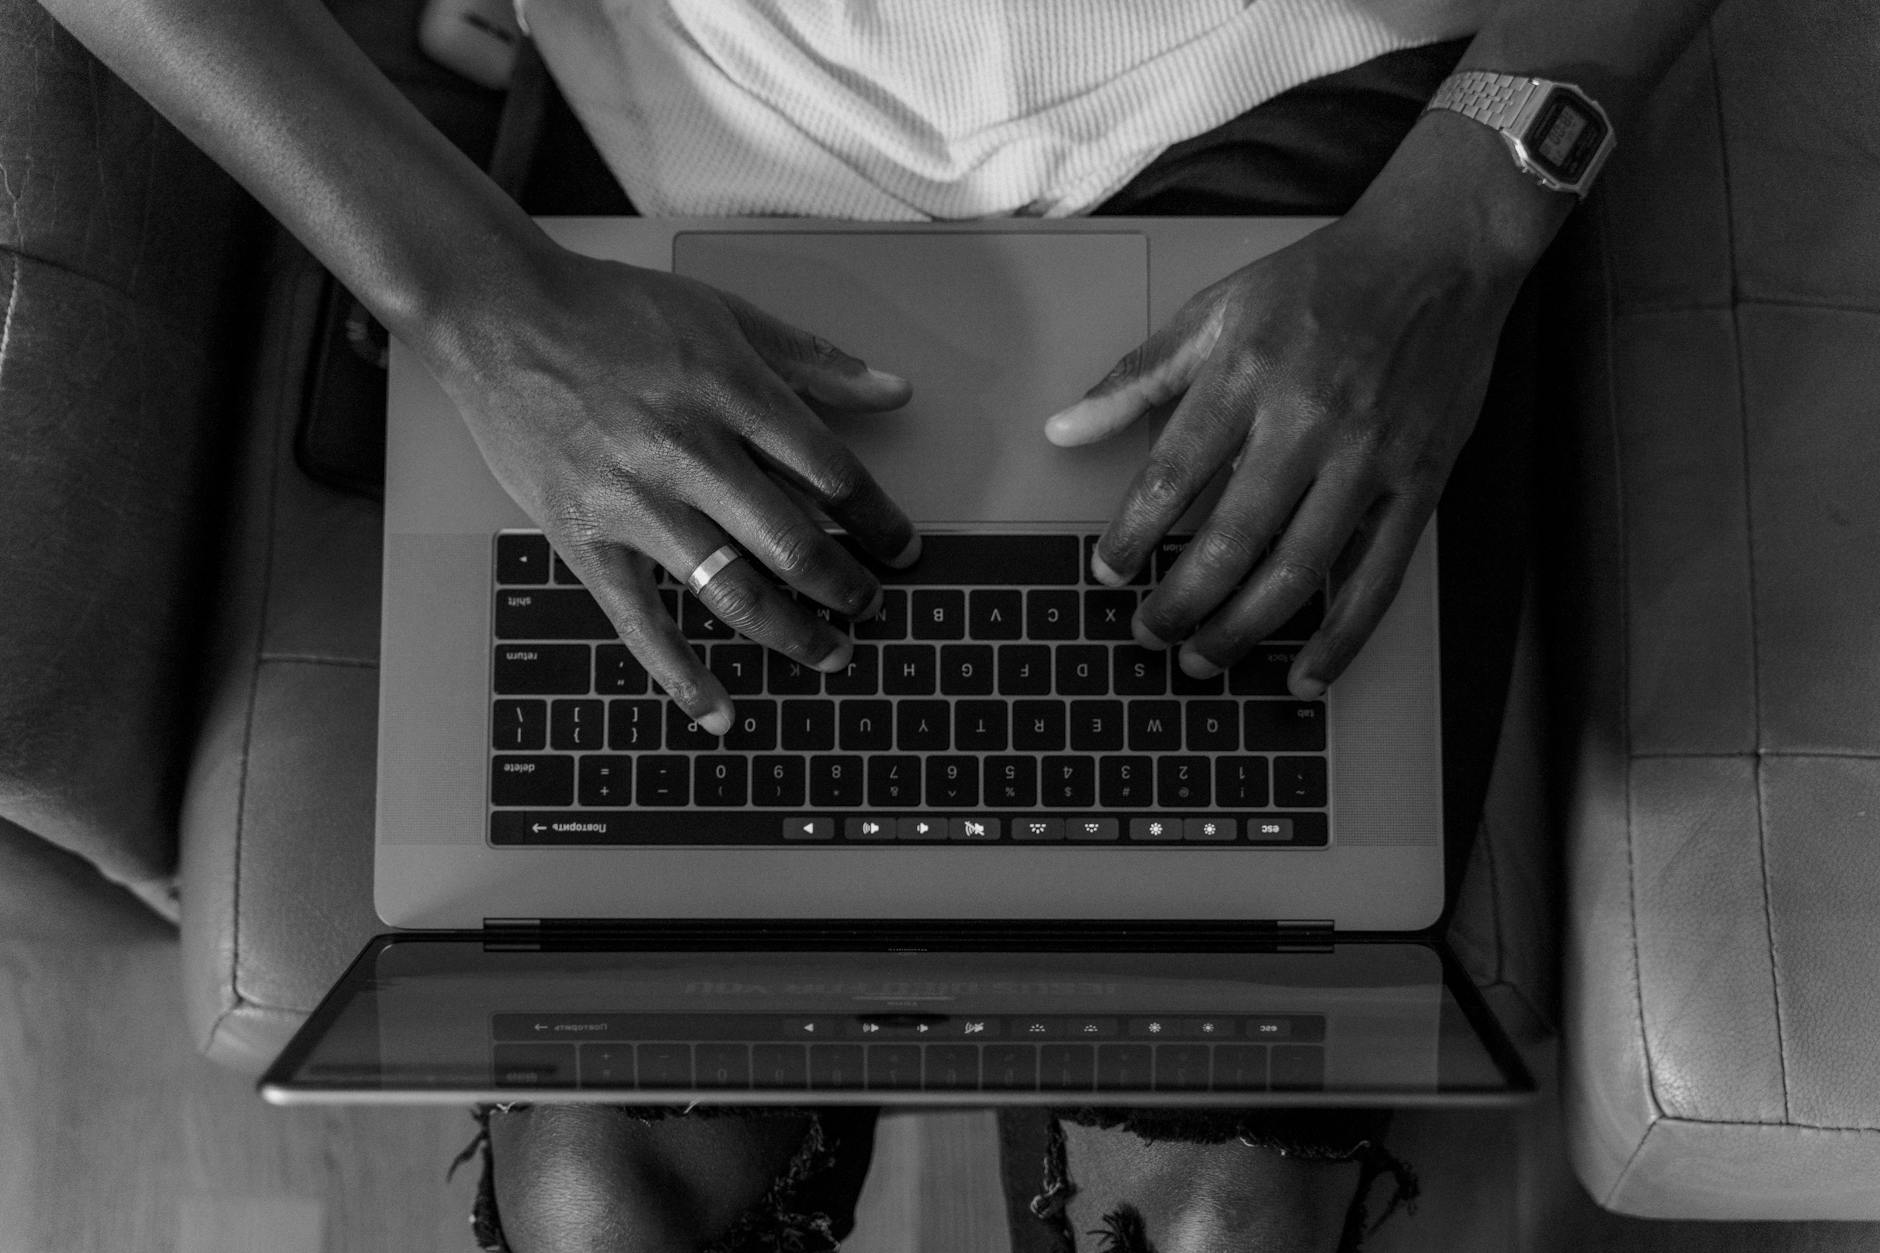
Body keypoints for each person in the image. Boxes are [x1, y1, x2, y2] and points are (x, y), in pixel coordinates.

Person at [38, 0, 1720, 1248]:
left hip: (1304, 95)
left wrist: (1471, 214)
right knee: (605, 1201)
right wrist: (473, 296)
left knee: (1228, 1214)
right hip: (688, 126)